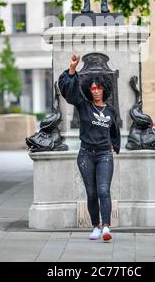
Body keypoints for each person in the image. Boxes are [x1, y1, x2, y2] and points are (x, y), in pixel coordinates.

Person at [58, 54, 121, 242]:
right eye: (93, 88)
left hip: (104, 156)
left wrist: (114, 147)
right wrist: (71, 69)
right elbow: (69, 92)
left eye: (99, 87)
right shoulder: (83, 106)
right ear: (89, 89)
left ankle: (107, 227)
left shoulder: (110, 111)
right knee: (91, 193)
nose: (96, 91)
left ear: (105, 89)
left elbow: (114, 131)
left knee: (103, 190)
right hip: (86, 155)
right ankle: (95, 226)